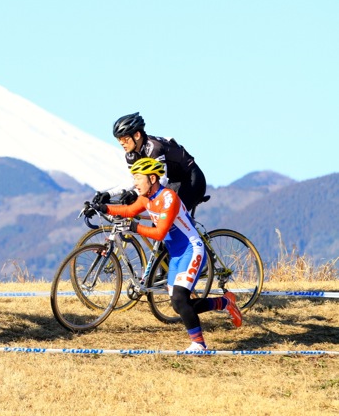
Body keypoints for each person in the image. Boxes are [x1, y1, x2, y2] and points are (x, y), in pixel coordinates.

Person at [87, 157, 241, 351]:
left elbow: (159, 233)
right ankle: (225, 302)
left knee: (179, 298)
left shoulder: (168, 198)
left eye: (138, 178)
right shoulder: (147, 198)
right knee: (179, 305)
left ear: (152, 178)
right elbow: (128, 209)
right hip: (176, 254)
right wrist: (102, 207)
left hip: (191, 250)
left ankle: (199, 345)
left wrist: (135, 226)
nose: (134, 182)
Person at [99, 112, 207, 213]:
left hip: (191, 179)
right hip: (174, 181)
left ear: (137, 135)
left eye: (125, 139)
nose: (122, 143)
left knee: (168, 218)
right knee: (157, 221)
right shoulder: (131, 154)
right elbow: (133, 180)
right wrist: (109, 194)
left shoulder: (153, 148)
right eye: (119, 140)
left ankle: (190, 233)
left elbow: (162, 180)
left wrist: (135, 193)